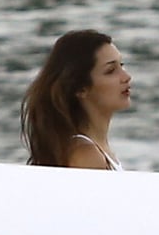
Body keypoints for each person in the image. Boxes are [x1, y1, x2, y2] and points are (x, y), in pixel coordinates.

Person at [21, 30, 130, 169]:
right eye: (110, 71)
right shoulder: (86, 156)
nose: (126, 76)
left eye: (122, 65)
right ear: (81, 89)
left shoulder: (92, 150)